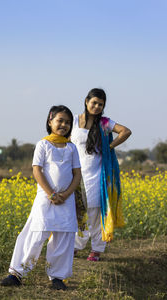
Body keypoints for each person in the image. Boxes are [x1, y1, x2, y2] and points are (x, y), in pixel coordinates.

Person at [0, 105, 81, 290]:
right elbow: (37, 170)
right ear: (50, 121)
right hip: (46, 198)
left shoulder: (72, 148)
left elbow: (77, 174)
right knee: (35, 233)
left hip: (66, 200)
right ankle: (17, 274)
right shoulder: (43, 144)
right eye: (60, 120)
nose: (64, 125)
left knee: (63, 236)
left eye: (68, 122)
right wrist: (51, 194)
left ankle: (58, 277)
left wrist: (66, 194)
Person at [71, 88, 131, 261]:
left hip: (97, 175)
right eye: (94, 103)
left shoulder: (104, 123)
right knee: (78, 212)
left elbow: (125, 131)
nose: (96, 107)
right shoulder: (74, 120)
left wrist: (109, 147)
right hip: (76, 174)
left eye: (100, 104)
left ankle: (96, 249)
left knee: (96, 214)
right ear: (86, 101)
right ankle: (76, 245)